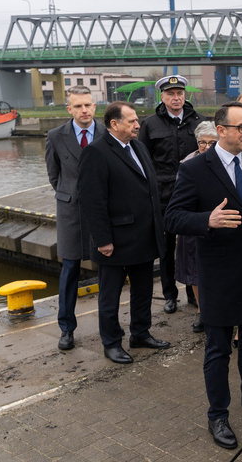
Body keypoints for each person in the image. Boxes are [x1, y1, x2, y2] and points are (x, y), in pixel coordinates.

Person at [165, 102, 242, 450]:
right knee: (218, 348)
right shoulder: (196, 169)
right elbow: (172, 218)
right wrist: (207, 221)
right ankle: (218, 414)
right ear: (221, 131)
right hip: (217, 272)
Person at [78, 101, 171, 364]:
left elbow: (148, 190)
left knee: (142, 290)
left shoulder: (139, 147)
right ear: (114, 124)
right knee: (110, 296)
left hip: (144, 236)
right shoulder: (96, 152)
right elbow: (91, 201)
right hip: (116, 240)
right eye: (131, 121)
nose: (138, 125)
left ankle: (140, 333)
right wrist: (103, 239)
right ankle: (111, 343)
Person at [45, 85, 106, 351]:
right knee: (69, 270)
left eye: (88, 105)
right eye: (78, 106)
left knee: (107, 269)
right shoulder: (56, 136)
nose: (84, 110)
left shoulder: (107, 133)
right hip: (70, 212)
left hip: (102, 211)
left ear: (95, 106)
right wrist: (70, 193)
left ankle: (109, 326)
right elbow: (54, 175)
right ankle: (67, 328)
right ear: (69, 109)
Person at [137, 75, 204, 315]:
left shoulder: (199, 122)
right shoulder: (150, 124)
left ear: (185, 95)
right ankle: (169, 295)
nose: (176, 98)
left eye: (179, 93)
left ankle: (192, 292)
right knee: (166, 248)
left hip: (194, 195)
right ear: (162, 97)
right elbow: (143, 161)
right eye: (170, 94)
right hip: (164, 195)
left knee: (193, 247)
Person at [174, 121, 219, 334]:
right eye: (203, 143)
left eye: (212, 143)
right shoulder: (187, 163)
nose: (207, 147)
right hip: (194, 224)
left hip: (218, 225)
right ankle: (201, 311)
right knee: (194, 273)